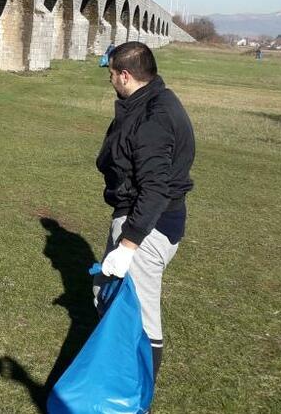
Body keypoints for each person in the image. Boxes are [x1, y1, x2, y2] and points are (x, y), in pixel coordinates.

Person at [94, 41, 195, 394]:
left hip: (147, 227)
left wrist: (129, 244)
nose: (110, 82)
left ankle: (136, 398)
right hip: (140, 219)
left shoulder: (155, 118)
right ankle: (112, 374)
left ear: (125, 75)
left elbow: (156, 189)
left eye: (111, 75)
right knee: (106, 296)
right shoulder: (146, 101)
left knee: (141, 316)